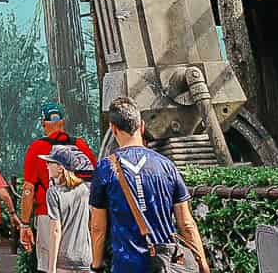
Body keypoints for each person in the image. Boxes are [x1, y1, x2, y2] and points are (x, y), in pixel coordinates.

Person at [87, 99, 210, 273]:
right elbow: (187, 224)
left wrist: (96, 265)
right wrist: (202, 262)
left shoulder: (105, 169)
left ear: (113, 128)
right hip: (164, 265)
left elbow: (98, 226)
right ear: (142, 126)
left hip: (126, 266)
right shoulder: (166, 166)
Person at [20, 101, 98, 271]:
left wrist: (24, 224)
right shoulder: (80, 145)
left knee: (52, 266)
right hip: (81, 216)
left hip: (47, 216)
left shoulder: (37, 148)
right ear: (63, 122)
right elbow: (95, 180)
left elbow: (28, 190)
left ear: (43, 123)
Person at [41, 146, 97, 273]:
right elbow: (91, 223)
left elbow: (55, 231)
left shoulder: (53, 193)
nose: (46, 166)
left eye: (50, 163)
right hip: (85, 257)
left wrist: (51, 269)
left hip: (64, 259)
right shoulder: (84, 189)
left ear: (60, 168)